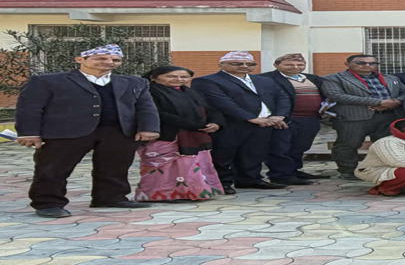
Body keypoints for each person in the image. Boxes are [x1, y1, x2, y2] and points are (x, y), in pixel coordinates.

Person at [17, 44, 160, 217]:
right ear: (80, 59)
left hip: (118, 131)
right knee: (53, 169)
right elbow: (29, 108)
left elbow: (146, 107)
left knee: (115, 167)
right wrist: (29, 132)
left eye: (115, 60)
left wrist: (149, 128)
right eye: (101, 58)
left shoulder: (134, 82)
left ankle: (110, 197)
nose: (109, 62)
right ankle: (48, 203)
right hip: (65, 132)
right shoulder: (47, 81)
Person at [195, 51, 292, 190]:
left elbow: (282, 97)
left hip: (264, 123)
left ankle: (250, 179)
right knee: (223, 154)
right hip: (231, 123)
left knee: (254, 153)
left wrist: (279, 116)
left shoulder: (264, 80)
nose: (244, 66)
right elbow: (222, 102)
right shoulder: (207, 81)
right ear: (221, 64)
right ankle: (222, 183)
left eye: (250, 64)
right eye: (237, 63)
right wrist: (251, 118)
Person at [136, 66, 226, 202]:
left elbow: (208, 109)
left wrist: (215, 122)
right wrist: (195, 124)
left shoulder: (190, 92)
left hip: (193, 135)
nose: (178, 79)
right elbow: (158, 113)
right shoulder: (148, 92)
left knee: (188, 166)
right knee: (162, 167)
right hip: (165, 136)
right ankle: (159, 195)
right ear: (154, 77)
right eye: (171, 76)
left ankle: (188, 193)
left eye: (184, 77)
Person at [320, 54, 405, 180]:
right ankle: (348, 171)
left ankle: (383, 169)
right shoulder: (333, 78)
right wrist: (379, 102)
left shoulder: (390, 78)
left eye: (372, 63)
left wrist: (396, 101)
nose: (367, 65)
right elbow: (337, 95)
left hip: (387, 116)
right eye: (361, 63)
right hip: (353, 118)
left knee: (387, 144)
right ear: (347, 64)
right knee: (348, 144)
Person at [260, 53, 330, 183]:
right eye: (289, 64)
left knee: (300, 146)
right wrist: (272, 117)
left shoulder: (312, 78)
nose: (295, 67)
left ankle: (294, 170)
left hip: (310, 118)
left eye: (300, 64)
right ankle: (280, 175)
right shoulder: (265, 78)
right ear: (276, 65)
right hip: (284, 119)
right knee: (280, 148)